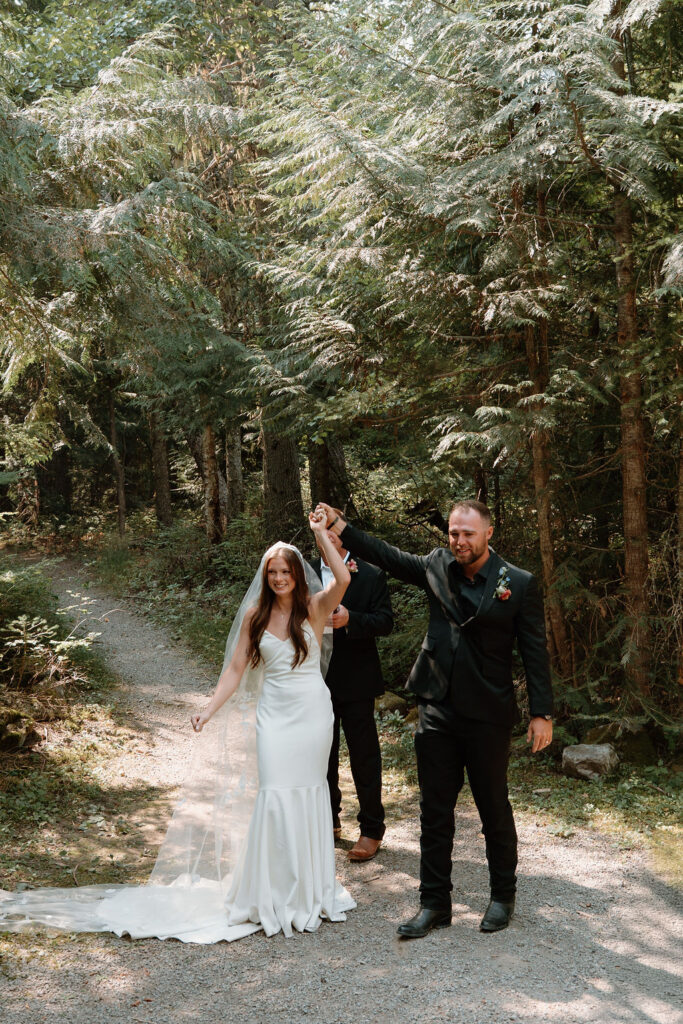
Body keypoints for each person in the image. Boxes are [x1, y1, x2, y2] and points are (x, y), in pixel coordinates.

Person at [0, 512, 356, 942]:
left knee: (310, 791)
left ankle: (310, 887)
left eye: (286, 572)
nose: (279, 578)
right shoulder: (256, 616)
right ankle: (270, 889)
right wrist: (209, 709)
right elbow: (235, 670)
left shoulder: (315, 610)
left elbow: (341, 577)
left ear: (298, 576)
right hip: (275, 717)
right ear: (266, 576)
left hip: (313, 714)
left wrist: (320, 534)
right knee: (276, 794)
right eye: (273, 572)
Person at [315, 499, 553, 939]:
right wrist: (339, 525)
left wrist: (541, 712)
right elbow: (384, 553)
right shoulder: (436, 565)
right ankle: (433, 903)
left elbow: (534, 652)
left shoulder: (516, 583)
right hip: (437, 708)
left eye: (468, 533)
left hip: (487, 714)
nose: (459, 541)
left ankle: (502, 896)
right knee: (434, 810)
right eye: (453, 533)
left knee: (493, 807)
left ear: (488, 532)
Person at [311, 517, 394, 862]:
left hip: (357, 680)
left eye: (332, 528)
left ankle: (372, 828)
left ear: (340, 534)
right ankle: (328, 820)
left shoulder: (371, 573)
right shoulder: (304, 573)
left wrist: (353, 619)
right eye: (320, 531)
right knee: (321, 754)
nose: (327, 536)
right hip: (314, 679)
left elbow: (386, 621)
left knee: (364, 757)